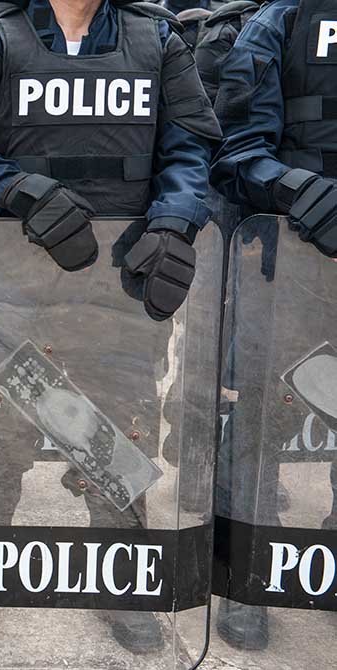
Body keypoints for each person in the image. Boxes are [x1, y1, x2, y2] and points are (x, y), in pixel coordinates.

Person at [0, 0, 219, 654]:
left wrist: (174, 220)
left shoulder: (155, 39)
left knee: (118, 429)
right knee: (1, 428)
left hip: (120, 281)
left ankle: (121, 580)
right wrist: (23, 192)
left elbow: (188, 147)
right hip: (12, 280)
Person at [210, 0, 337, 651]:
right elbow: (234, 152)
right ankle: (245, 572)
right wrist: (304, 194)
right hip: (290, 262)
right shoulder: (281, 22)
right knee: (265, 417)